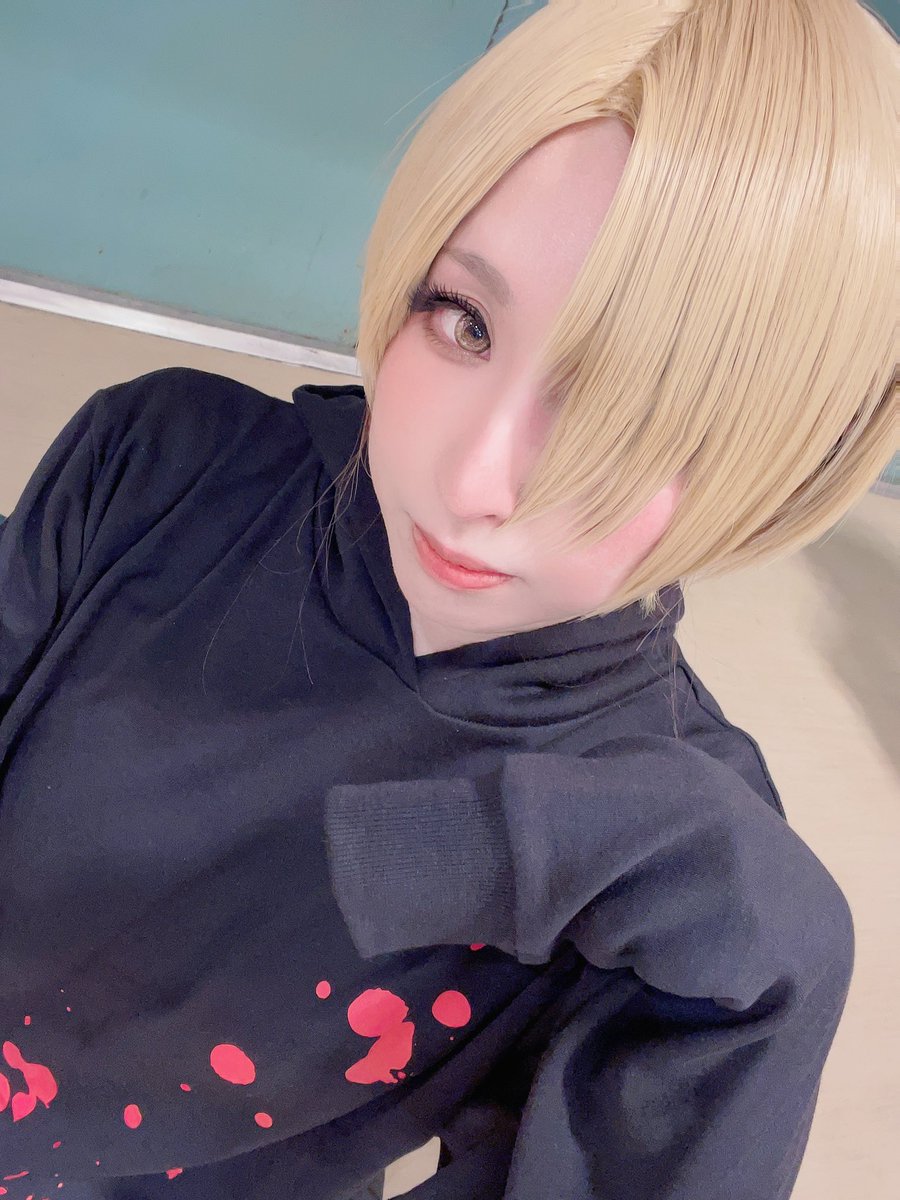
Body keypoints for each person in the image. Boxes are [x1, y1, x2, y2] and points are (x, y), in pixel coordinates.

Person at [0, 0, 895, 1197]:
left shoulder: (653, 870)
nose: (475, 483)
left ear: (785, 458)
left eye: (635, 414)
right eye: (462, 320)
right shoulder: (160, 468)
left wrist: (762, 1004)